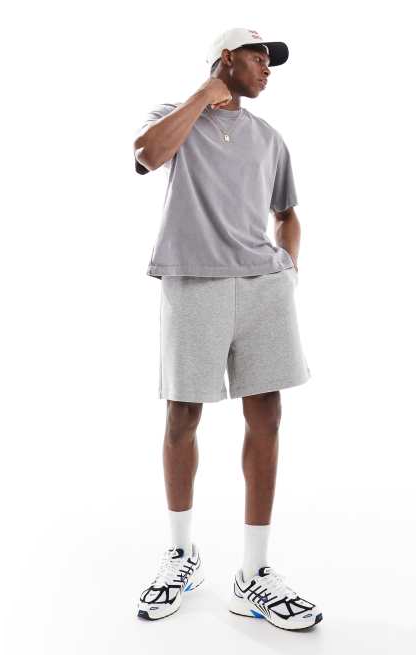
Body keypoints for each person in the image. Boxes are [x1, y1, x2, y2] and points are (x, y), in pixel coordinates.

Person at [133, 28, 323, 630]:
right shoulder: (175, 116)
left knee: (267, 416)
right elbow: (147, 155)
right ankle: (181, 557)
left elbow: (287, 213)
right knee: (182, 416)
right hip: (193, 282)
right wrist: (203, 93)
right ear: (226, 59)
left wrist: (288, 268)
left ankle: (254, 573)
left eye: (271, 60)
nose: (267, 68)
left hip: (264, 287)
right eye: (257, 56)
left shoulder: (269, 138)